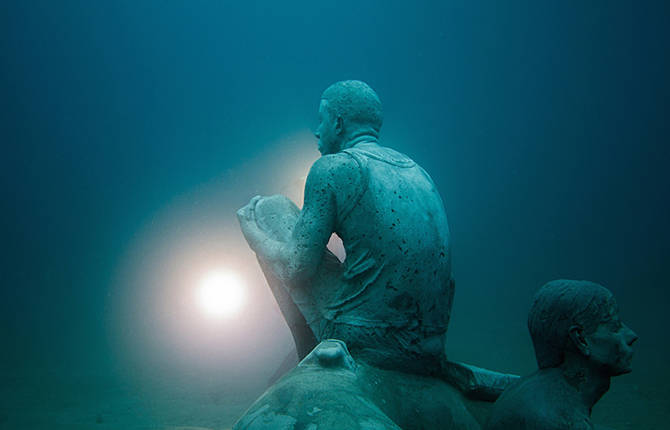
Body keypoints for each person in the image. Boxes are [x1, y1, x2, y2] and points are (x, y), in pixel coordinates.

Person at [237, 80, 453, 373]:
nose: (317, 130)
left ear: (338, 123)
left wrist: (252, 233)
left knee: (269, 209)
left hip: (372, 339)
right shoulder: (418, 172)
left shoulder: (332, 168)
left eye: (321, 119)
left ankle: (310, 356)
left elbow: (295, 267)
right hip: (429, 341)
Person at [485, 279, 638, 430]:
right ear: (580, 339)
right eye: (614, 325)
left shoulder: (542, 394)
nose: (631, 335)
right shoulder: (556, 419)